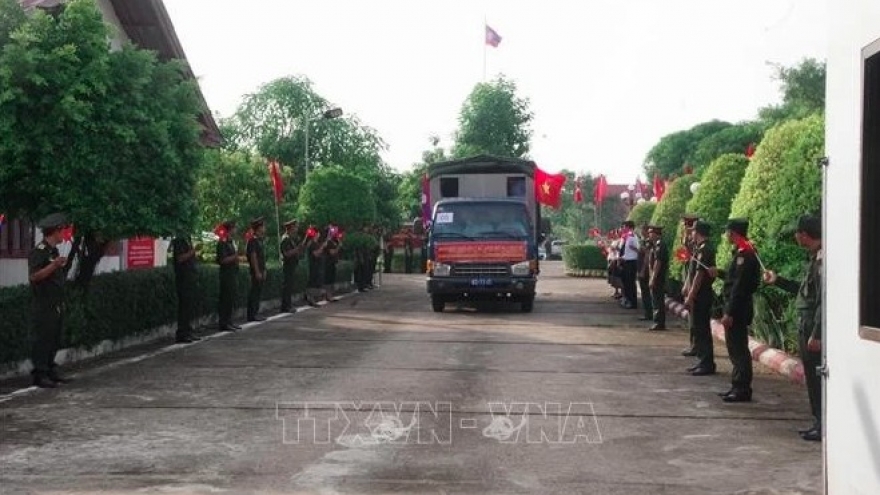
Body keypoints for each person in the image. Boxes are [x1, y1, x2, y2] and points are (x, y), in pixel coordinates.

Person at [762, 214, 823, 441]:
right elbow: (803, 291)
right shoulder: (813, 259)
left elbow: (823, 301)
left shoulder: (822, 261)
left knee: (816, 379)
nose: (796, 237)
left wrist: (817, 333)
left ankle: (822, 424)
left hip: (812, 327)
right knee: (812, 377)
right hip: (806, 324)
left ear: (804, 235)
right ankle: (818, 422)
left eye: (797, 233)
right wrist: (777, 280)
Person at [719, 218, 761, 402]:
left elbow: (739, 287)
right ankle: (737, 385)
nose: (726, 235)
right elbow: (733, 280)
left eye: (728, 232)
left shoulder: (745, 254)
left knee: (738, 349)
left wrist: (729, 312)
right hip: (736, 306)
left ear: (733, 233)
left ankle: (742, 388)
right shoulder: (742, 252)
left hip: (738, 309)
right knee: (735, 348)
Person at [28, 212, 70, 388]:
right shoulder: (39, 252)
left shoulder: (54, 251)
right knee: (43, 339)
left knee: (54, 338)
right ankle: (40, 374)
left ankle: (50, 369)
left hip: (55, 303)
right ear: (55, 231)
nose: (64, 235)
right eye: (62, 231)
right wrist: (54, 265)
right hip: (44, 304)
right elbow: (34, 276)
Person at [683, 221, 716, 375]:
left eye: (693, 231)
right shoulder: (699, 248)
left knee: (702, 330)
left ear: (698, 232)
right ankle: (702, 361)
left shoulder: (705, 249)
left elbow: (699, 275)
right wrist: (687, 287)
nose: (691, 233)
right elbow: (693, 272)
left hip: (702, 295)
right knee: (698, 328)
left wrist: (691, 295)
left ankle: (707, 363)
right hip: (699, 294)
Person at [171, 232, 201, 343]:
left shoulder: (188, 239)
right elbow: (180, 258)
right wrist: (193, 251)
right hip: (183, 278)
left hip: (190, 277)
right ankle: (182, 333)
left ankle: (188, 331)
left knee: (189, 306)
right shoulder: (179, 240)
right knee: (184, 306)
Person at [679, 213, 701, 356]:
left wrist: (689, 286)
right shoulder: (691, 242)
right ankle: (693, 343)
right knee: (691, 316)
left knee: (695, 318)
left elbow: (696, 270)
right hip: (689, 279)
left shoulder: (697, 246)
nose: (686, 230)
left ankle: (696, 345)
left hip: (694, 284)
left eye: (687, 227)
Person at [216, 220, 241, 332]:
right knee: (225, 299)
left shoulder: (231, 242)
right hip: (226, 274)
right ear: (230, 229)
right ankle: (224, 322)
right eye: (234, 228)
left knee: (231, 298)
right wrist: (234, 257)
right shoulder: (223, 242)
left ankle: (229, 321)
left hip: (233, 273)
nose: (236, 230)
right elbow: (222, 260)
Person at [647, 225, 669, 331]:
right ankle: (658, 321)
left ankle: (659, 322)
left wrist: (653, 278)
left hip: (658, 277)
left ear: (656, 234)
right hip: (656, 276)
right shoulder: (655, 245)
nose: (649, 235)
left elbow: (658, 262)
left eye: (651, 233)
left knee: (657, 300)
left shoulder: (660, 245)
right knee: (655, 299)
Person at [280, 219, 304, 313]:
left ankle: (288, 305)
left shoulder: (291, 239)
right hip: (287, 265)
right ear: (291, 228)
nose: (297, 229)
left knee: (290, 286)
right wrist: (296, 249)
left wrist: (299, 249)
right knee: (287, 286)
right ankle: (286, 306)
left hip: (292, 265)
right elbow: (286, 253)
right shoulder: (285, 239)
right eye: (295, 227)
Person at [618, 221, 640, 309]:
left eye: (625, 227)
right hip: (626, 261)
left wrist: (634, 248)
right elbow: (627, 252)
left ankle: (633, 302)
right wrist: (622, 257)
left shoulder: (632, 236)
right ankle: (628, 300)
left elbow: (637, 250)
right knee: (627, 283)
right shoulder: (628, 237)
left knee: (630, 283)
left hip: (631, 263)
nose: (623, 228)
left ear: (629, 227)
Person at [637, 225, 654, 321]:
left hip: (646, 271)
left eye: (642, 230)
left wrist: (643, 270)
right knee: (644, 293)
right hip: (641, 269)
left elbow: (647, 257)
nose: (641, 231)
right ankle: (647, 313)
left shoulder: (648, 242)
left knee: (646, 293)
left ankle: (649, 314)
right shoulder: (644, 241)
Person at [323, 225, 342, 302]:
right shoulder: (328, 242)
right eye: (334, 231)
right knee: (328, 280)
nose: (336, 232)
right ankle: (328, 296)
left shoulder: (334, 241)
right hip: (328, 263)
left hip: (332, 262)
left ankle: (330, 295)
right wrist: (338, 247)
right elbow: (332, 252)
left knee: (331, 280)